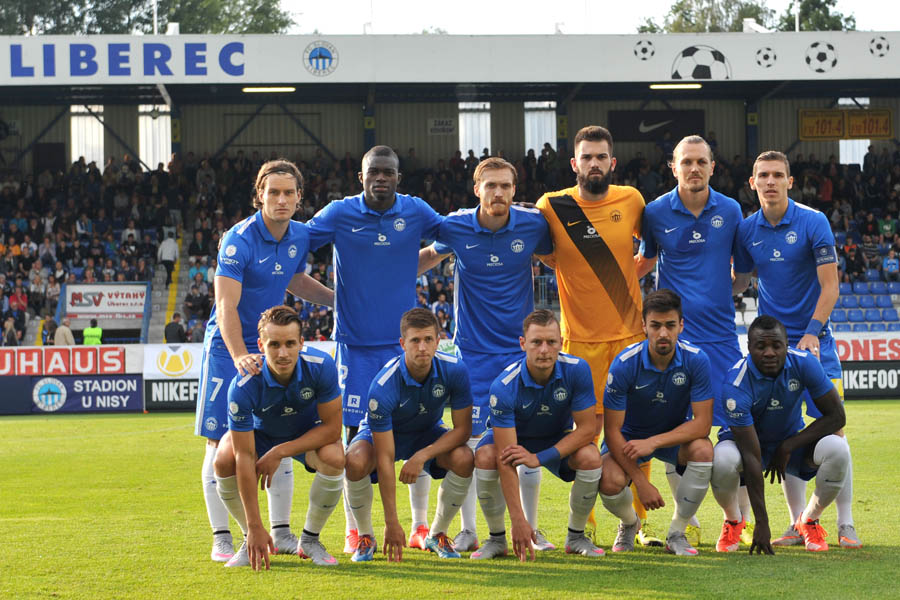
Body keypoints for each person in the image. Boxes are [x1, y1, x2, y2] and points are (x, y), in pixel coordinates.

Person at [195, 159, 334, 564]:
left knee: (277, 431)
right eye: (273, 192)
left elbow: (293, 278)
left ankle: (281, 533)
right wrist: (240, 354)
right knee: (219, 443)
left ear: (299, 198)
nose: (281, 199)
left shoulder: (300, 235)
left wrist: (336, 300)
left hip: (273, 346)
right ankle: (223, 536)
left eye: (289, 193)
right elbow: (226, 305)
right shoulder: (237, 240)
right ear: (260, 195)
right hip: (229, 348)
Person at [306, 146, 443, 554]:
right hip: (356, 348)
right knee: (355, 440)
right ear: (360, 177)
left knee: (419, 427)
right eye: (373, 172)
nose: (380, 178)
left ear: (399, 177)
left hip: (404, 346)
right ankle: (357, 530)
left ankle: (420, 526)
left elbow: (453, 235)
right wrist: (335, 299)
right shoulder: (339, 213)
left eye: (388, 172)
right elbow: (294, 242)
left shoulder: (415, 210)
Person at [417, 156, 554, 552]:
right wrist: (385, 277)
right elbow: (430, 255)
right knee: (473, 445)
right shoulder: (456, 226)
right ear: (476, 189)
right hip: (473, 355)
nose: (498, 192)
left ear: (515, 190)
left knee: (521, 444)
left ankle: (532, 528)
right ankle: (468, 530)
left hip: (519, 354)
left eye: (505, 186)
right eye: (490, 185)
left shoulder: (533, 225)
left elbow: (555, 257)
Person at [536, 126, 657, 544]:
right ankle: (583, 525)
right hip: (579, 345)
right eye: (586, 157)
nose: (594, 163)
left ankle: (639, 524)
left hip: (629, 338)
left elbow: (648, 251)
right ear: (575, 163)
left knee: (635, 432)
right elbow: (548, 256)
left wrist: (624, 277)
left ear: (612, 162)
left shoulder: (632, 200)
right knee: (584, 437)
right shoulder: (552, 206)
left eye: (600, 156)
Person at [733, 151, 860, 549]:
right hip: (772, 351)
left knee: (834, 430)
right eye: (763, 176)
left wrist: (811, 333)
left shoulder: (813, 221)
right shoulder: (747, 229)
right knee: (786, 429)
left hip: (815, 343)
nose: (770, 181)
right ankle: (795, 524)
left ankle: (844, 522)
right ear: (753, 183)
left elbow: (830, 287)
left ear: (790, 181)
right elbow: (740, 282)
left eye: (778, 175)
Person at [636, 135, 753, 546]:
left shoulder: (731, 210)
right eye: (686, 162)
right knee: (676, 429)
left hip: (722, 340)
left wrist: (720, 294)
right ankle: (683, 520)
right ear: (674, 167)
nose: (694, 168)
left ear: (712, 167)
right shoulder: (654, 212)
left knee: (734, 432)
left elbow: (743, 273)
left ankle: (737, 520)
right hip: (674, 342)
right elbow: (645, 260)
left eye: (701, 162)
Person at [213, 305, 344, 569]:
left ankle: (310, 540)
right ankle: (250, 538)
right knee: (224, 458)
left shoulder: (321, 366)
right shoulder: (243, 385)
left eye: (290, 344)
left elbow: (332, 429)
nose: (283, 353)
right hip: (261, 436)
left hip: (305, 434)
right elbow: (244, 455)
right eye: (274, 344)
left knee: (335, 457)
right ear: (261, 345)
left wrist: (280, 451)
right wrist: (254, 526)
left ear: (301, 343)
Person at [343, 308, 473, 562]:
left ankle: (437, 534)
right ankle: (366, 536)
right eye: (415, 340)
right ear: (403, 343)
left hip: (426, 433)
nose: (422, 347)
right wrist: (391, 522)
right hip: (384, 435)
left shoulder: (455, 370)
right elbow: (385, 457)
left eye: (428, 339)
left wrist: (422, 456)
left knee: (464, 458)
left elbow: (463, 430)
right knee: (355, 460)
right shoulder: (383, 386)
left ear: (438, 341)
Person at [472, 309, 603, 561]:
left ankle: (576, 537)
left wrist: (539, 458)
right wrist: (518, 521)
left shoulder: (577, 369)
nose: (544, 350)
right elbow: (506, 456)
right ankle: (497, 539)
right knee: (486, 455)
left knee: (590, 456)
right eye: (536, 342)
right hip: (514, 439)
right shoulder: (504, 386)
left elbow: (587, 429)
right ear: (523, 344)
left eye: (551, 342)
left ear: (561, 342)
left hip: (554, 437)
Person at [710, 316, 849, 554]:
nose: (769, 353)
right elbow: (751, 455)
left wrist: (788, 446)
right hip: (746, 448)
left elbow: (837, 417)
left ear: (787, 345)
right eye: (761, 346)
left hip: (789, 443)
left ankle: (808, 520)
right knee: (722, 459)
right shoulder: (735, 383)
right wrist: (762, 523)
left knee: (838, 449)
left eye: (776, 345)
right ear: (749, 347)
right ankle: (733, 520)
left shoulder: (804, 363)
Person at [599, 289, 713, 557]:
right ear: (644, 326)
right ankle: (630, 523)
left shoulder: (697, 360)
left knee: (703, 450)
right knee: (608, 479)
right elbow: (612, 431)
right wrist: (640, 481)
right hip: (628, 439)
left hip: (672, 436)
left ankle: (677, 533)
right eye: (656, 325)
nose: (663, 333)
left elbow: (703, 424)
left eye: (670, 325)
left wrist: (652, 442)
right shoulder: (624, 364)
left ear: (681, 325)